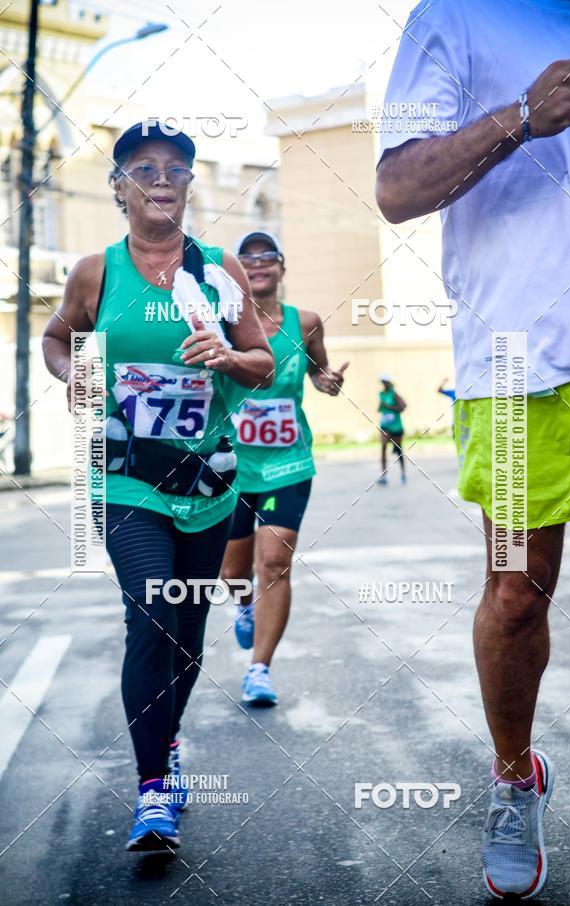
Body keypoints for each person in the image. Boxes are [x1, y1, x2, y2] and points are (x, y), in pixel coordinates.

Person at [376, 1, 570, 899]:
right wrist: (520, 116)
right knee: (515, 594)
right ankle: (515, 778)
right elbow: (394, 189)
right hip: (519, 368)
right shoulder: (457, 18)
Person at [42, 122, 273, 853]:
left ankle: (166, 736)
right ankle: (152, 790)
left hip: (207, 482)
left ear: (189, 185)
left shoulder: (220, 272)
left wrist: (228, 357)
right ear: (120, 187)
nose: (161, 178)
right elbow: (57, 338)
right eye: (143, 167)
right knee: (152, 612)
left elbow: (264, 362)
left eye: (176, 167)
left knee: (188, 636)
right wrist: (75, 376)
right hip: (126, 479)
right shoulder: (96, 272)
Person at [220, 231, 348, 706]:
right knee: (233, 574)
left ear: (281, 267)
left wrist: (327, 381)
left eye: (266, 257)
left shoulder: (306, 322)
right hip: (230, 465)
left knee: (273, 562)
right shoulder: (223, 322)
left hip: (287, 463)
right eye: (247, 258)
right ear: (237, 272)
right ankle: (244, 604)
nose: (257, 265)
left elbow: (320, 372)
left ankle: (259, 669)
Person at [377, 373, 407, 485]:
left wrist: (388, 406)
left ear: (389, 382)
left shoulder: (394, 394)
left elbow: (403, 407)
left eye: (385, 382)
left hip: (396, 427)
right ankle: (383, 476)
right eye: (382, 382)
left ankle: (403, 474)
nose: (383, 384)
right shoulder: (381, 394)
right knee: (383, 447)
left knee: (398, 451)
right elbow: (380, 408)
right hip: (385, 426)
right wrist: (381, 406)